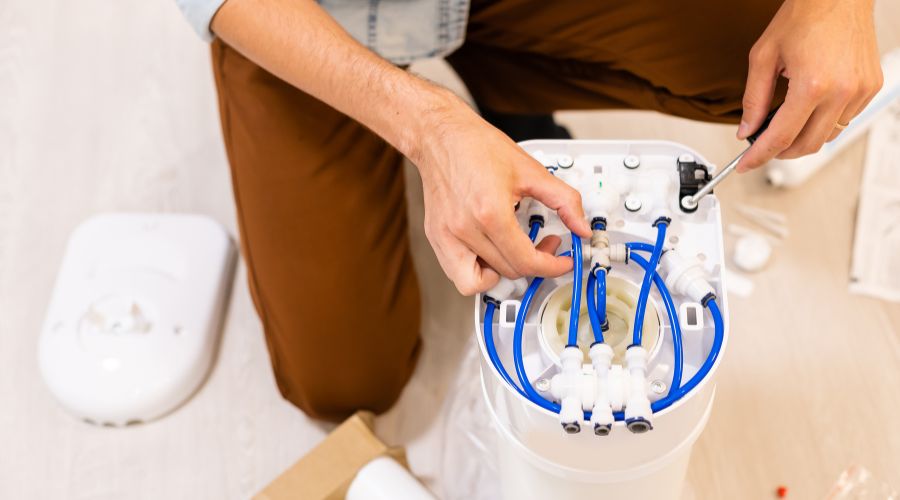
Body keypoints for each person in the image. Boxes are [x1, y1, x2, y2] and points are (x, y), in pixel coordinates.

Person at [175, 0, 882, 422]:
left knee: (772, 56)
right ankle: (462, 109)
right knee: (343, 384)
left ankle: (504, 90)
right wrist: (427, 127)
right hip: (314, 14)